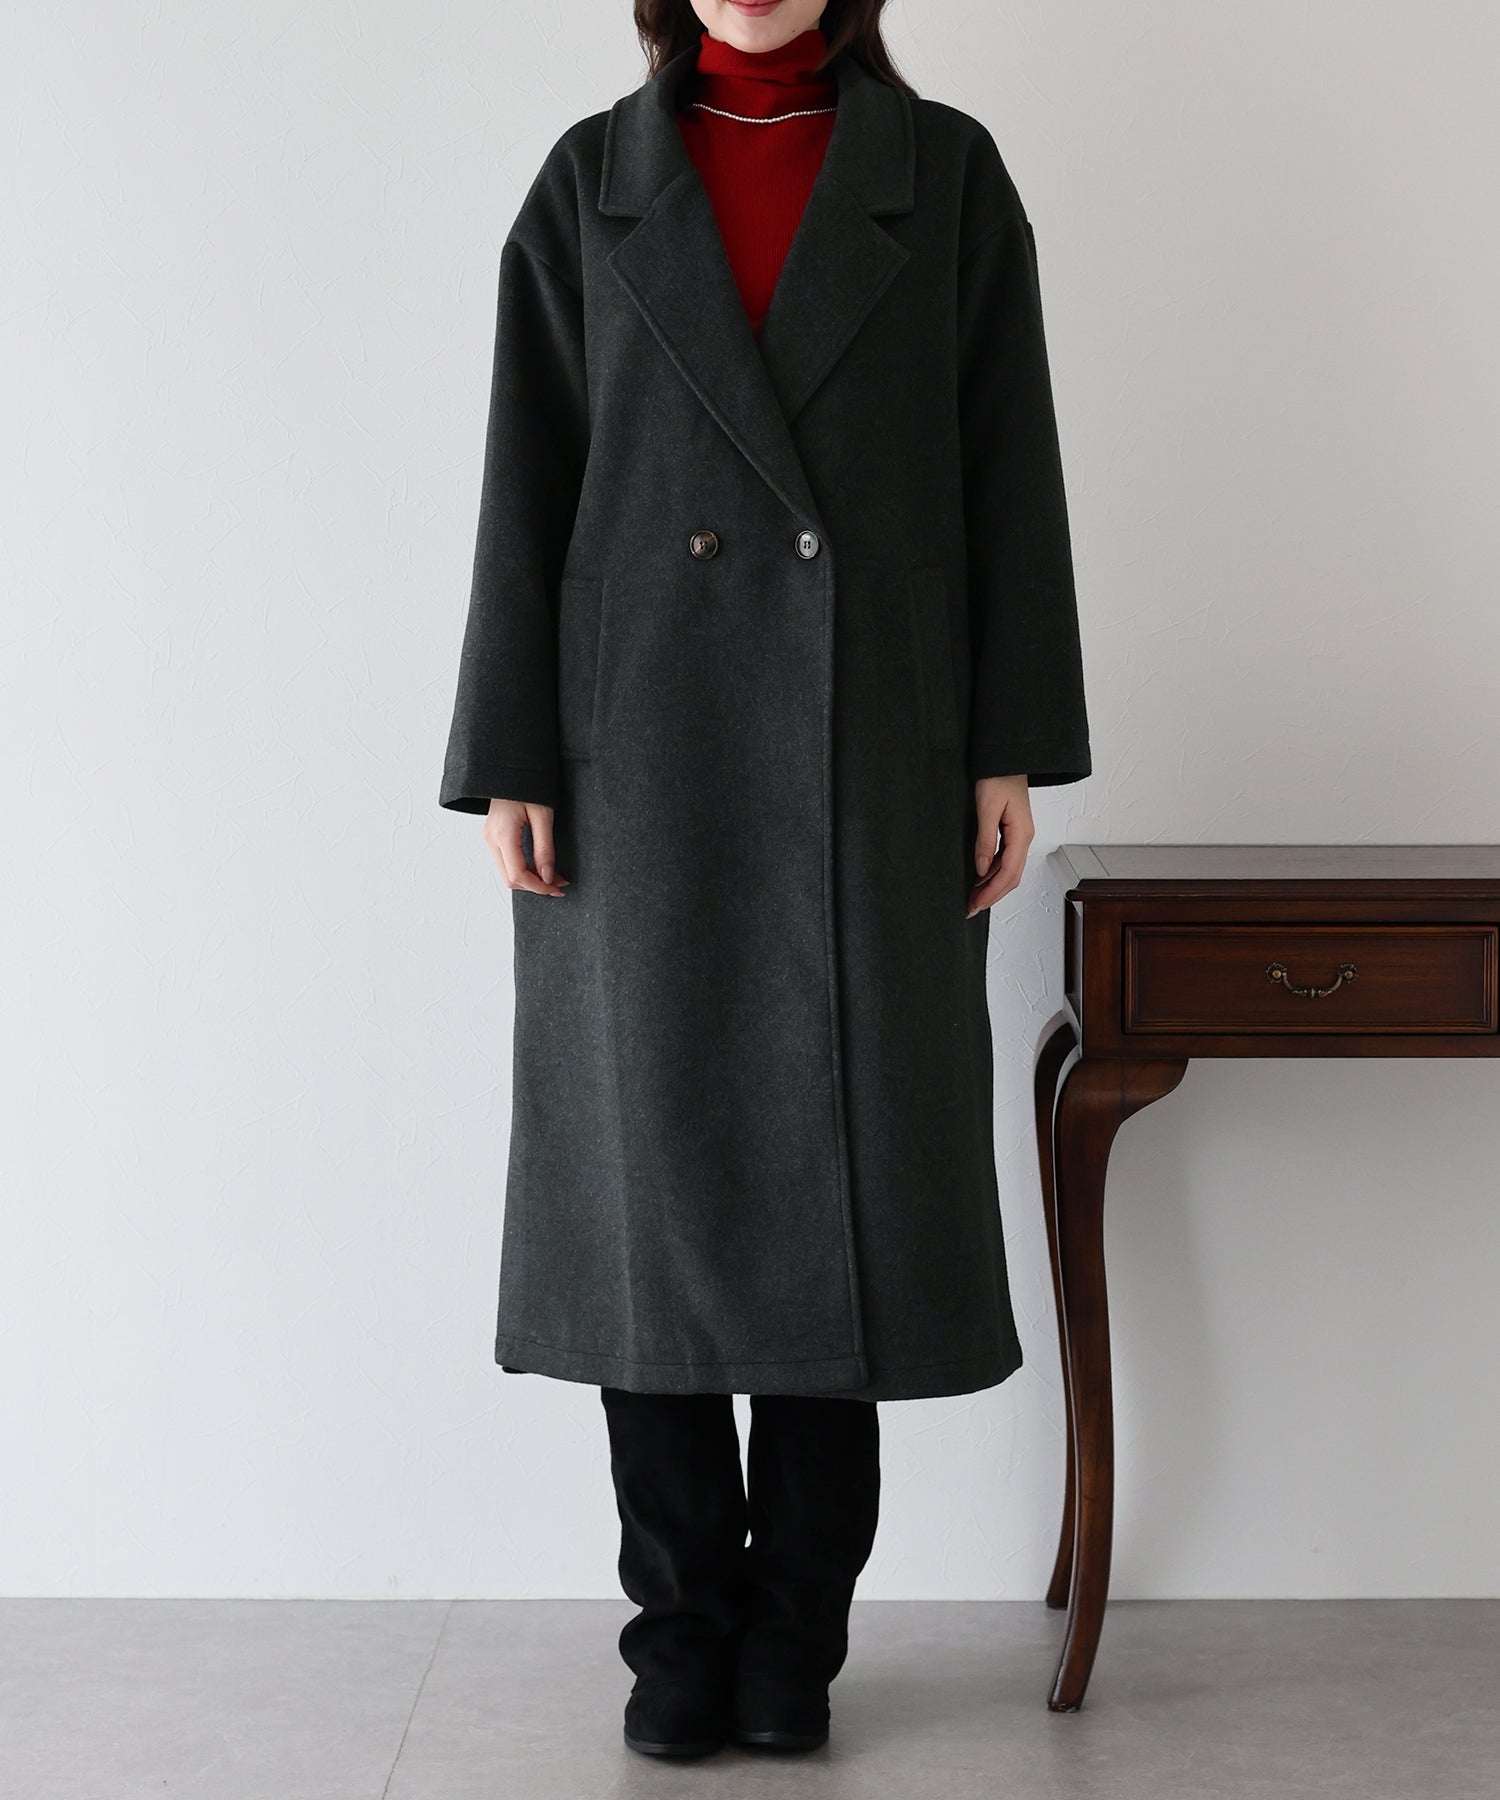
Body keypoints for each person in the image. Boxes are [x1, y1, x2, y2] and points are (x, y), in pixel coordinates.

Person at [438, 0, 1092, 1761]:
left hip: (872, 748)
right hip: (631, 755)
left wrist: (1006, 744)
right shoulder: (593, 181)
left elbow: (1007, 463)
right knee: (643, 1205)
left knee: (841, 1195)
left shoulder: (942, 176)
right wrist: (511, 749)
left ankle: (795, 1635)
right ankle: (679, 1634)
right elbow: (526, 477)